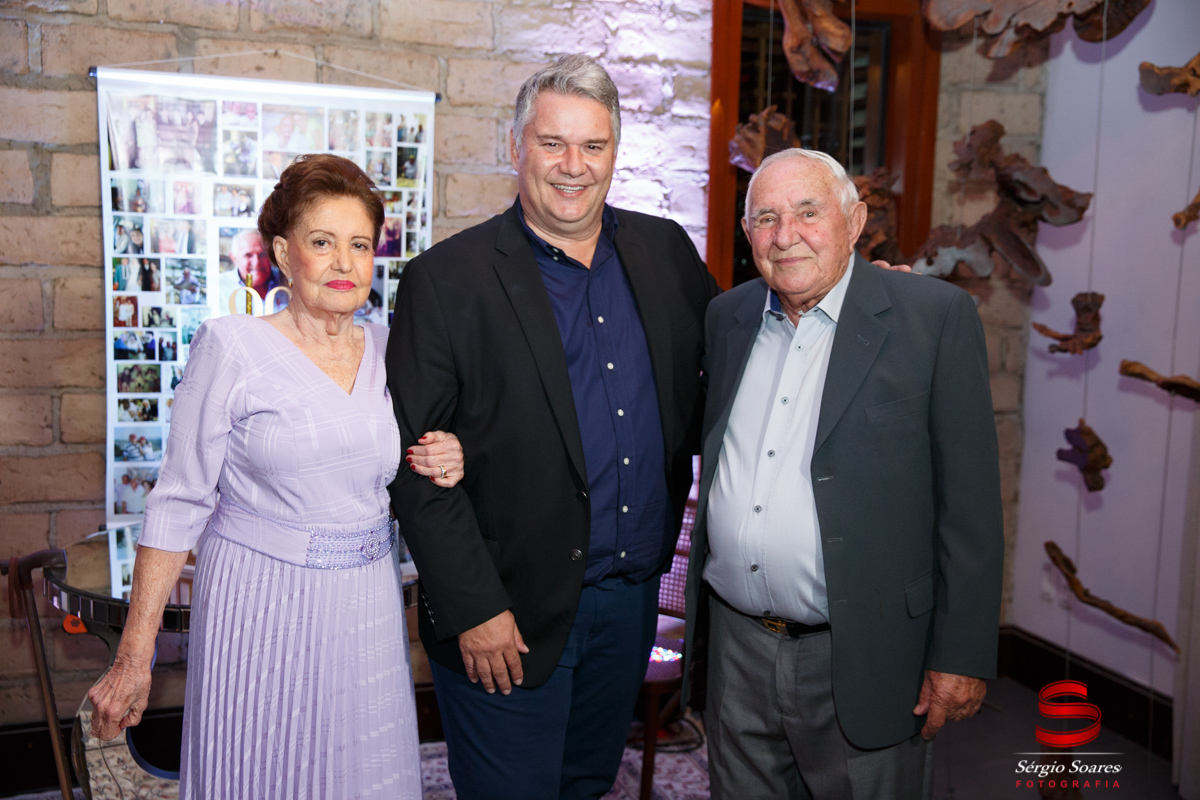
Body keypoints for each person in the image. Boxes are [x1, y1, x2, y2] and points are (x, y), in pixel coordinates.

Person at [386, 54, 718, 800]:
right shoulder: (447, 280)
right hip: (506, 613)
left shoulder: (665, 251)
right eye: (553, 143)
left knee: (586, 785)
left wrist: (851, 292)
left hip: (628, 604)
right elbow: (414, 466)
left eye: (593, 145)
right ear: (517, 146)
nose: (574, 166)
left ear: (615, 151)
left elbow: (738, 350)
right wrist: (474, 608)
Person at [87, 154, 467, 798]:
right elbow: (177, 501)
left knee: (364, 776)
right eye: (323, 243)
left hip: (367, 607)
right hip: (258, 605)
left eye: (360, 245)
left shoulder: (391, 348)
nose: (344, 262)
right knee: (262, 772)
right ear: (285, 254)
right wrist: (133, 658)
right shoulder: (231, 346)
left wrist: (449, 451)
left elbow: (405, 453)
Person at [683, 148, 1004, 800]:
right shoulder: (728, 318)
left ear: (854, 223)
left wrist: (961, 655)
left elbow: (970, 507)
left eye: (809, 212)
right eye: (766, 218)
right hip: (736, 649)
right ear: (747, 234)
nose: (786, 235)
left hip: (868, 652)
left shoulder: (932, 318)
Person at [219, 229, 287, 312]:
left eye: (262, 254)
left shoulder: (287, 282)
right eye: (248, 255)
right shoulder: (218, 287)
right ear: (233, 257)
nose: (256, 262)